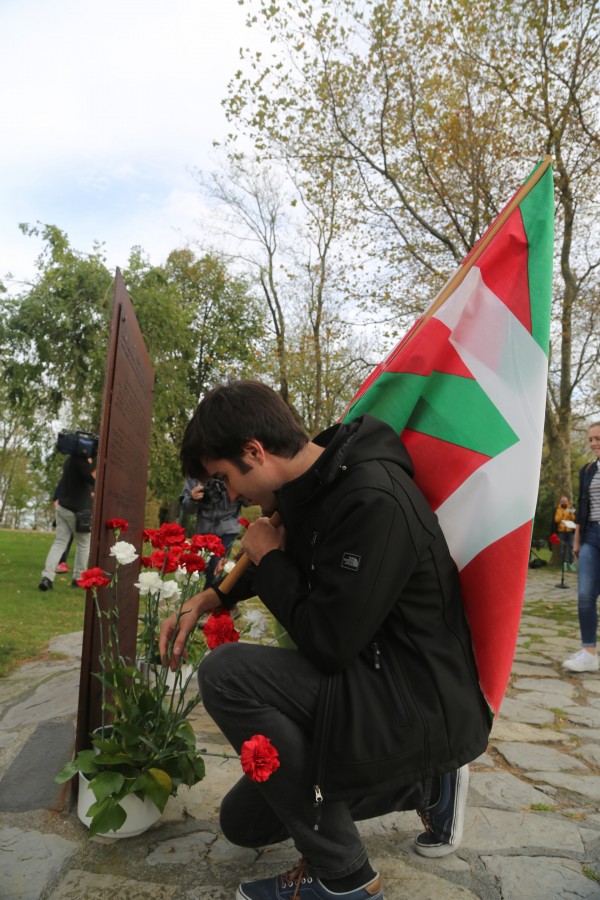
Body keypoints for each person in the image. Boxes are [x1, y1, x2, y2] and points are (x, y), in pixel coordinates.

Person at [159, 381, 491, 900]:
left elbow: (329, 643)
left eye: (225, 478)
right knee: (243, 823)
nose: (234, 496)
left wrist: (268, 559)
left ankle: (345, 878)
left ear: (254, 451)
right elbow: (292, 543)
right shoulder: (311, 488)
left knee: (227, 674)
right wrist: (212, 598)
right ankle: (424, 785)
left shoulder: (372, 498)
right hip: (370, 680)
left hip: (412, 696)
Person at [563, 421, 600, 673]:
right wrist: (577, 540)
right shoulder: (588, 470)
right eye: (590, 439)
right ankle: (589, 652)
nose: (593, 443)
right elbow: (582, 506)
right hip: (591, 536)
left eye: (597, 438)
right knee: (585, 595)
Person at [38, 451, 96, 591]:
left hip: (63, 507)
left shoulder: (69, 461)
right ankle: (78, 578)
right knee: (83, 543)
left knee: (59, 543)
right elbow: (93, 480)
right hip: (78, 511)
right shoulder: (82, 463)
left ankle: (47, 578)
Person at [179, 474, 242, 587]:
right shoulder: (195, 474)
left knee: (215, 568)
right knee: (193, 570)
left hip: (228, 529)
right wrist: (193, 499)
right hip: (204, 530)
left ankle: (211, 600)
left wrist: (235, 490)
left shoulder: (232, 468)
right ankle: (194, 599)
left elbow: (251, 500)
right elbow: (187, 507)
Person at [52, 480, 72, 574]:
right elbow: (56, 499)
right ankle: (61, 563)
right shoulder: (64, 482)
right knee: (64, 540)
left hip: (80, 516)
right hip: (64, 515)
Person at [554, 495, 576, 571]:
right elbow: (556, 520)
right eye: (563, 502)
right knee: (562, 548)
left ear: (567, 502)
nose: (564, 503)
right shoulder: (558, 509)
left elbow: (573, 518)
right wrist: (563, 515)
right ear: (561, 502)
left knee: (571, 547)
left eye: (565, 501)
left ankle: (571, 562)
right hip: (561, 531)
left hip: (569, 531)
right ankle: (564, 563)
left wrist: (570, 513)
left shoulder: (570, 508)